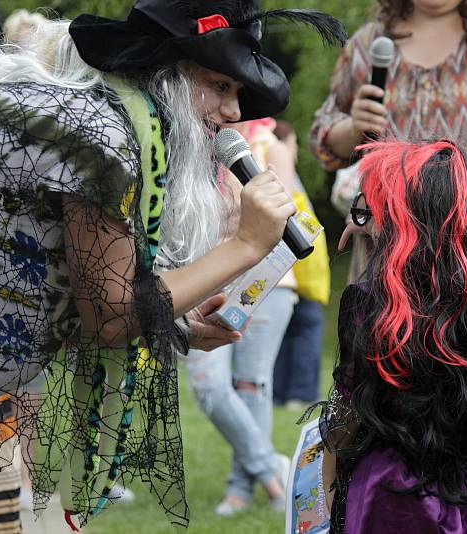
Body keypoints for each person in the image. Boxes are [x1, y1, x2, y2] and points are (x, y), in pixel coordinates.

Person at [0, 0, 345, 528]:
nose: (234, 113)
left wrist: (175, 328)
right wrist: (244, 245)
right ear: (167, 76)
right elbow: (109, 318)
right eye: (221, 85)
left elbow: (72, 294)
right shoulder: (103, 140)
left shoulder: (110, 126)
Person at [309, 0, 467, 355]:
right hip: (393, 257)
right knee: (391, 380)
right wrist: (353, 125)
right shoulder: (372, 42)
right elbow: (323, 140)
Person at [318, 139, 467, 533]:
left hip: (392, 500)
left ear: (404, 225)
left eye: (377, 208)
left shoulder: (373, 305)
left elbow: (346, 417)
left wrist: (328, 492)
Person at [185, 117, 299, 516]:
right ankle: (273, 468)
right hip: (208, 282)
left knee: (252, 386)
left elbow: (286, 218)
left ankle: (241, 489)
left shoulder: (270, 146)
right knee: (207, 383)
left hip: (267, 284)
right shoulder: (189, 148)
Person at [272, 120, 330, 408]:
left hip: (285, 271)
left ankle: (280, 392)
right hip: (298, 270)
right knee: (307, 328)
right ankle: (302, 391)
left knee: (285, 331)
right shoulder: (284, 172)